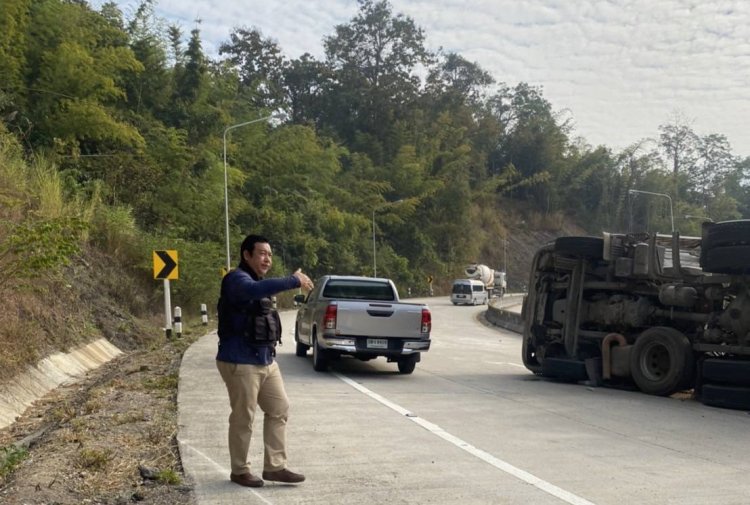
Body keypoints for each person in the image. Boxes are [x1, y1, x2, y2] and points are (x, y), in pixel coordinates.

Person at [216, 234, 314, 488]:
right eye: (261, 253)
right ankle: (239, 470)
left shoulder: (259, 282)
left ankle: (275, 466)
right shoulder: (236, 279)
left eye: (269, 254)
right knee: (243, 417)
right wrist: (293, 280)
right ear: (246, 255)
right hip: (240, 360)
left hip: (265, 360)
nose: (266, 258)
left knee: (279, 409)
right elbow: (252, 291)